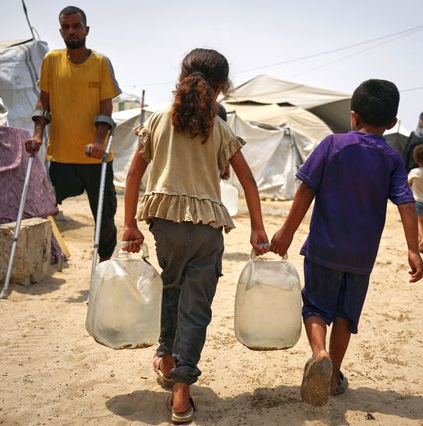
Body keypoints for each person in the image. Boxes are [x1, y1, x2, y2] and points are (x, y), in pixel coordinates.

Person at [121, 48, 269, 423]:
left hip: (167, 227)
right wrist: (257, 227)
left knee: (172, 289)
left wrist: (129, 225)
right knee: (197, 308)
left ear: (181, 78)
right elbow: (248, 182)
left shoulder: (156, 121)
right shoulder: (219, 129)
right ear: (220, 90)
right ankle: (182, 393)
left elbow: (134, 176)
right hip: (207, 231)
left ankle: (166, 357)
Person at [269, 79, 423, 406]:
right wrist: (412, 248)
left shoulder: (332, 144)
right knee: (344, 316)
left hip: (324, 248)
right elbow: (406, 204)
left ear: (354, 117)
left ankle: (319, 353)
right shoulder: (392, 158)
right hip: (361, 257)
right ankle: (333, 375)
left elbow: (305, 191)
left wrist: (286, 232)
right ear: (392, 123)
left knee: (314, 306)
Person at [25, 6, 121, 262]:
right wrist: (36, 135)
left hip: (96, 158)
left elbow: (106, 108)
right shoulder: (51, 61)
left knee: (105, 216)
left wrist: (99, 141)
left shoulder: (100, 63)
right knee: (46, 204)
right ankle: (47, 254)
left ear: (86, 29)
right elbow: (43, 103)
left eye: (76, 26)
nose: (71, 31)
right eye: (66, 27)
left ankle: (105, 264)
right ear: (61, 31)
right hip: (62, 157)